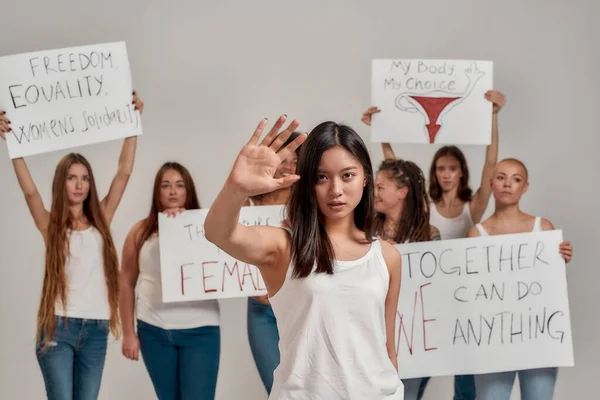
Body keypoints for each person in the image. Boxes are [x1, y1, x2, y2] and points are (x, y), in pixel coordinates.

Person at [204, 116, 404, 399]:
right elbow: (218, 233)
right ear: (307, 183)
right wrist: (236, 188)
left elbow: (387, 350)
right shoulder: (284, 246)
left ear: (365, 179)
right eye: (322, 177)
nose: (336, 190)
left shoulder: (387, 256)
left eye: (347, 175)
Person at [362, 89, 506, 400]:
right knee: (412, 373)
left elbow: (490, 167)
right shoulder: (424, 210)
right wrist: (383, 133)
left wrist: (492, 117)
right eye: (441, 168)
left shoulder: (473, 207)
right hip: (421, 299)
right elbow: (396, 175)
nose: (446, 174)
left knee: (465, 380)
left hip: (460, 296)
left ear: (461, 172)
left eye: (452, 168)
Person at [0, 92, 144, 400]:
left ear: (91, 184)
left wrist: (132, 123)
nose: (79, 184)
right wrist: (11, 142)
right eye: (71, 177)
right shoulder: (51, 226)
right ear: (61, 183)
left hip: (96, 329)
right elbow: (30, 194)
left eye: (85, 178)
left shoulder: (101, 220)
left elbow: (124, 172)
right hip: (58, 328)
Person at [467, 158, 573, 400]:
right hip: (494, 339)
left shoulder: (542, 228)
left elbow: (554, 290)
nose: (508, 184)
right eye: (501, 178)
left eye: (516, 179)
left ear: (525, 187)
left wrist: (561, 261)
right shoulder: (476, 234)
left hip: (537, 336)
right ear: (491, 183)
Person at [119, 162, 220, 400]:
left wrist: (186, 226)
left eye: (179, 185)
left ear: (189, 191)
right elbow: (125, 281)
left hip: (201, 329)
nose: (173, 191)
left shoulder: (207, 226)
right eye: (166, 185)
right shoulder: (139, 231)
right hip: (154, 328)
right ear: (157, 192)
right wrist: (128, 333)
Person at [374, 158, 439, 399]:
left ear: (402, 192)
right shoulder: (365, 230)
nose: (375, 193)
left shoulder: (429, 235)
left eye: (381, 187)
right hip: (374, 330)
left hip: (413, 338)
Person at [243, 132, 302, 395]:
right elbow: (225, 251)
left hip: (299, 305)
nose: (289, 167)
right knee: (276, 390)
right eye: (284, 160)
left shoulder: (306, 205)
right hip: (261, 309)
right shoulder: (248, 202)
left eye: (295, 162)